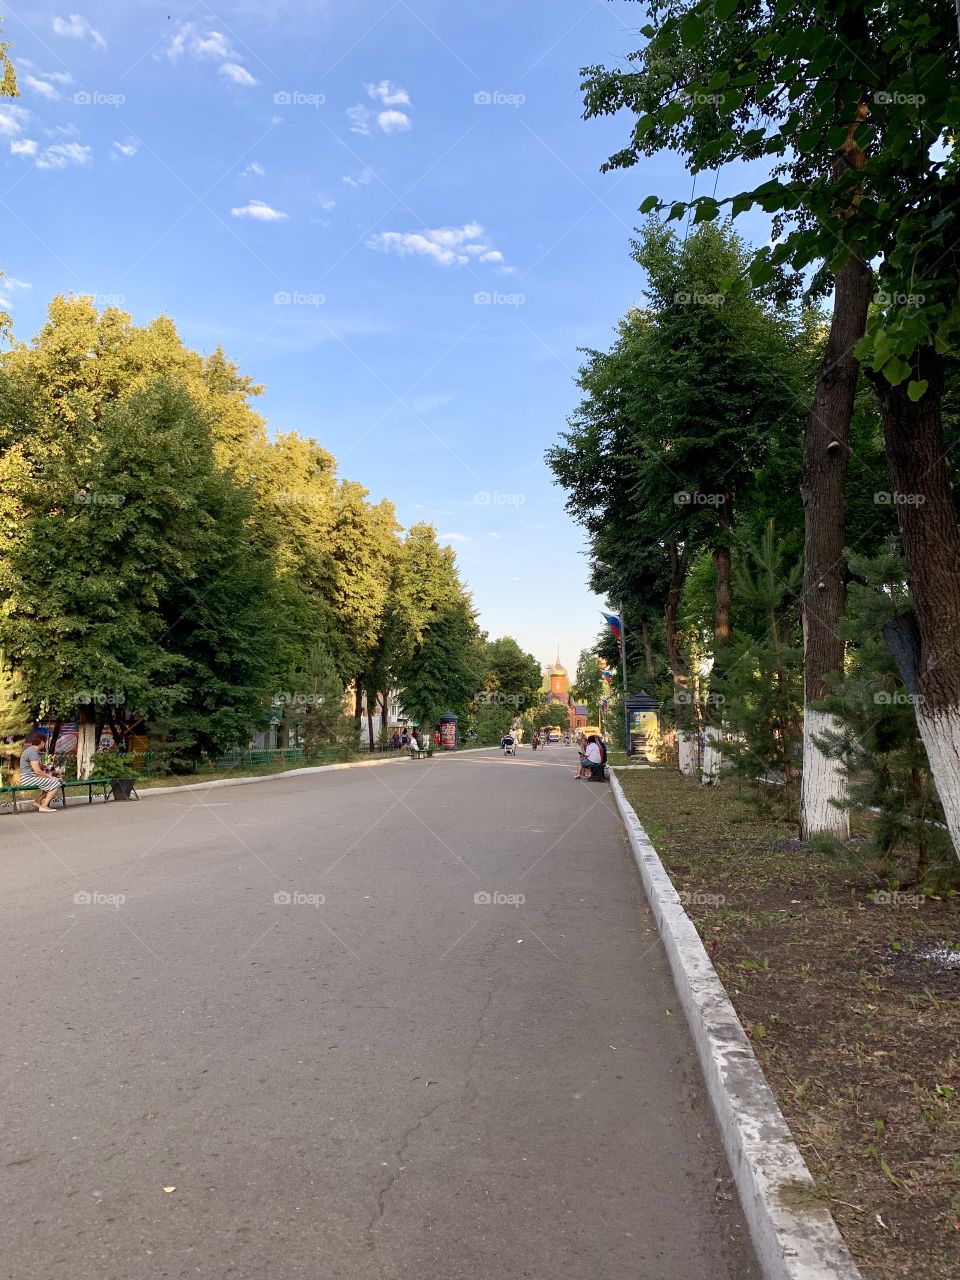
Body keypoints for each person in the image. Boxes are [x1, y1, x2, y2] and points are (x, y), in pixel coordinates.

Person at [18, 734, 61, 811]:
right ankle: (44, 806)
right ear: (41, 742)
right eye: (45, 742)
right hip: (28, 778)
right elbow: (37, 771)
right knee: (56, 784)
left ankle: (37, 802)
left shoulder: (32, 751)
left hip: (31, 777)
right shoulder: (32, 752)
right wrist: (50, 777)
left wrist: (46, 767)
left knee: (51, 784)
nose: (44, 745)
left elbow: (38, 766)